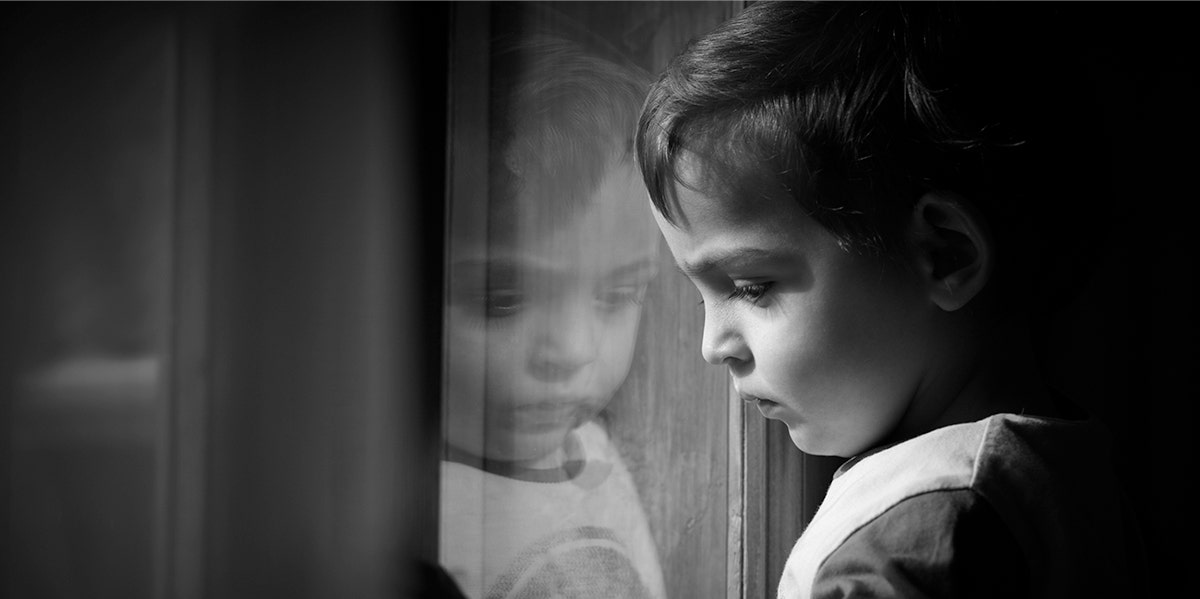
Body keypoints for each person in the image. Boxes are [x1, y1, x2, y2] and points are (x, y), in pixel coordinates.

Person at [636, 2, 1146, 597]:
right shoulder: (1066, 471)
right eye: (702, 300)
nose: (713, 347)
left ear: (944, 255)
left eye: (752, 286)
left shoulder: (919, 542)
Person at [438, 19, 668, 599]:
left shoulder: (594, 452)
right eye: (503, 300)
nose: (574, 350)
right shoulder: (400, 512)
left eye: (617, 296)